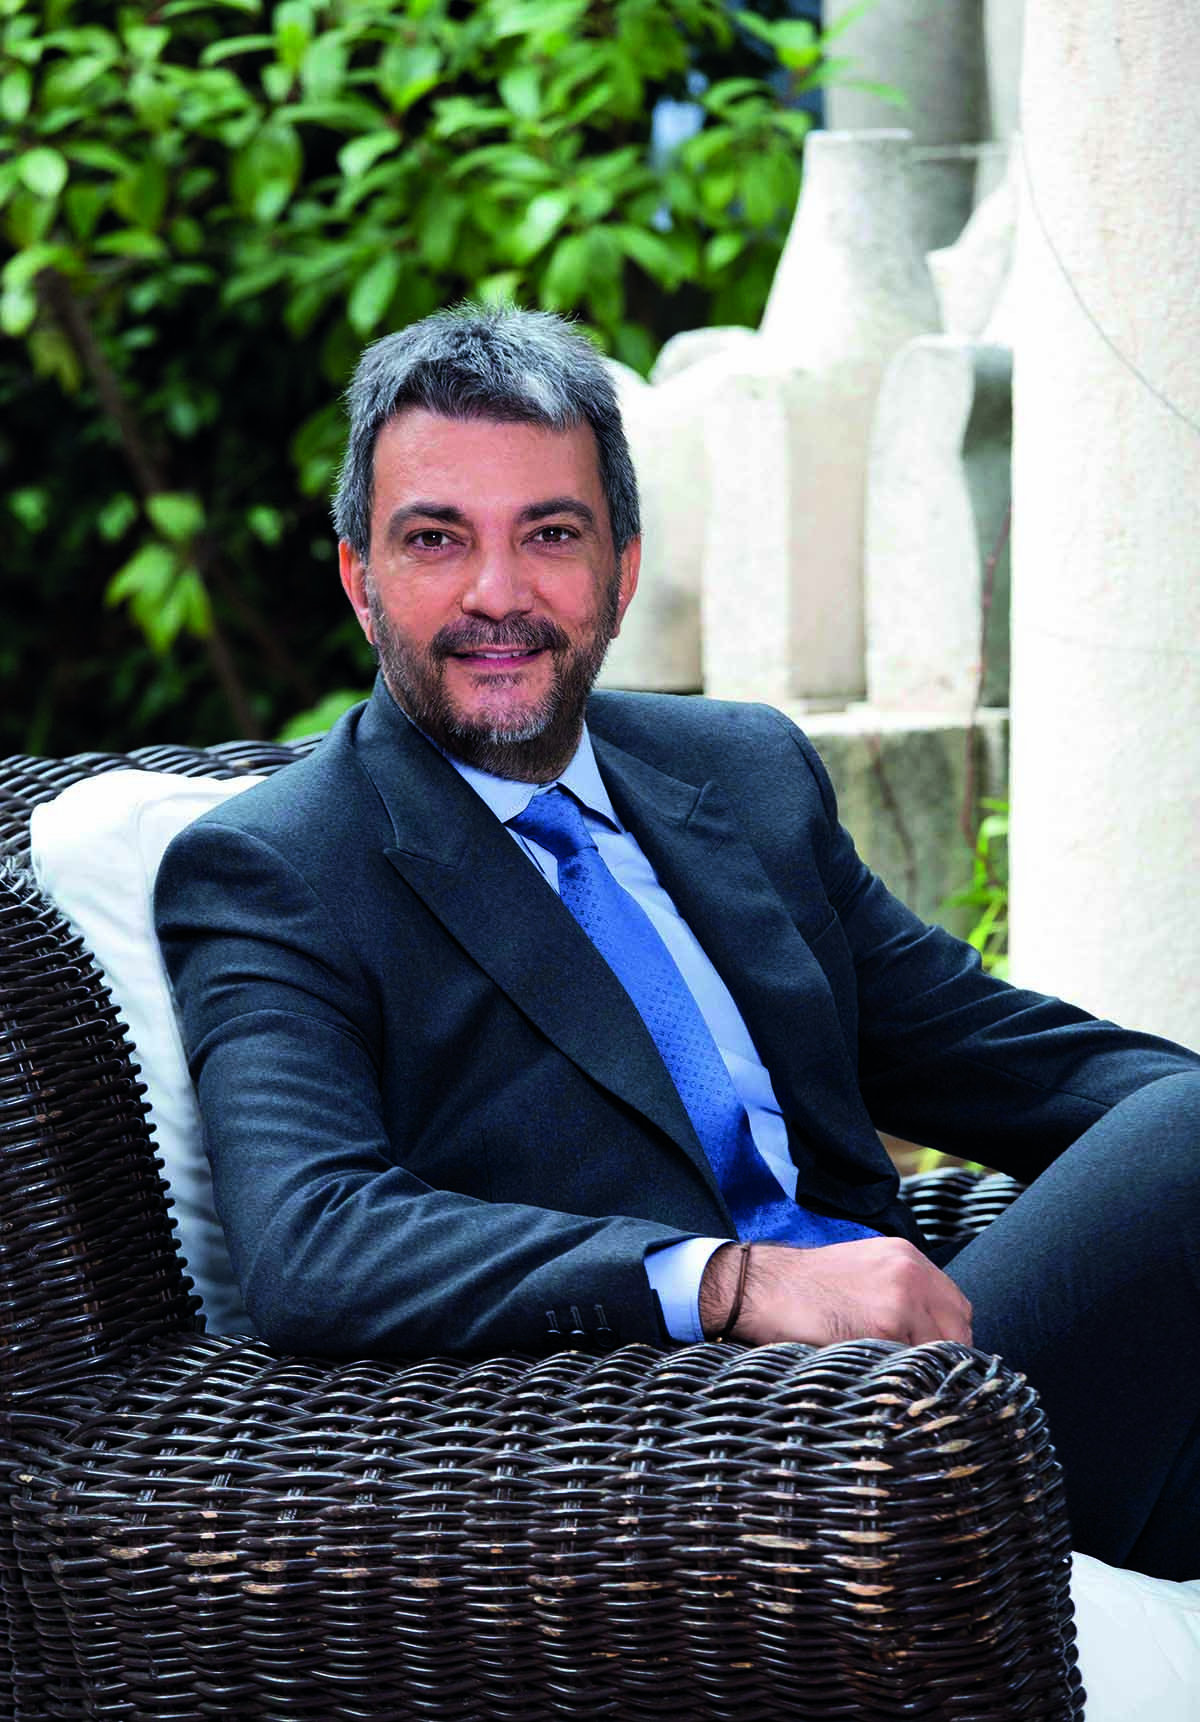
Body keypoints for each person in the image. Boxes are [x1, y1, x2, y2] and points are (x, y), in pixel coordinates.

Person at [155, 302, 1200, 1581]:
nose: (497, 595)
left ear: (623, 570)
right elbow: (313, 1239)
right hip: (698, 1452)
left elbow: (1009, 1058)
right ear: (359, 581)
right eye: (436, 539)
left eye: (551, 534)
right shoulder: (277, 866)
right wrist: (729, 1282)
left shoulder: (740, 769)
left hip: (937, 1373)